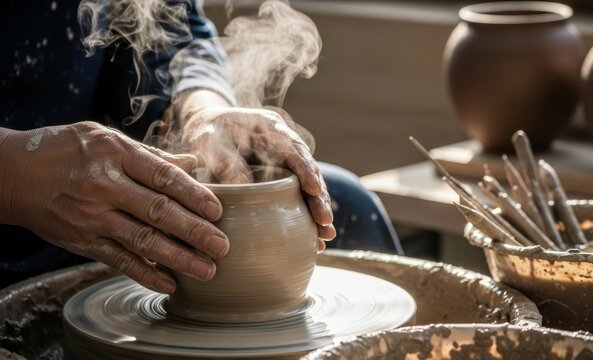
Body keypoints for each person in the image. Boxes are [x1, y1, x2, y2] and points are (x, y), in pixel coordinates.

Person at [0, 0, 402, 292]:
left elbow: (171, 26)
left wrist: (200, 108)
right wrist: (17, 173)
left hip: (96, 208)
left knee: (347, 205)